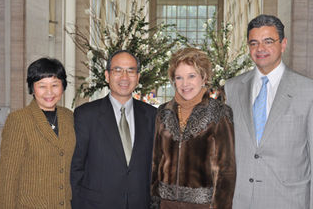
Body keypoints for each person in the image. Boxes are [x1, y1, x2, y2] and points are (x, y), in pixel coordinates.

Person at [224, 14, 313, 209]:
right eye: (253, 43)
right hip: (241, 200)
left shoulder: (308, 91)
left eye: (268, 41)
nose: (260, 49)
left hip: (288, 201)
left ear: (283, 44)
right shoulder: (233, 88)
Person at [151, 47, 236, 209]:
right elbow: (156, 162)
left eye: (191, 76)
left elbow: (226, 171)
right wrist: (154, 202)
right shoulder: (163, 112)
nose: (185, 84)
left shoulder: (219, 113)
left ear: (203, 77)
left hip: (203, 205)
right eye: (179, 77)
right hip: (166, 204)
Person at [71, 50, 157, 209]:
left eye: (130, 71)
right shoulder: (86, 115)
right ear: (107, 75)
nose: (124, 77)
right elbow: (76, 168)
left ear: (137, 77)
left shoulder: (152, 115)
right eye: (117, 70)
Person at [0, 58, 76, 209]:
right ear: (32, 89)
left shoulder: (69, 117)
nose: (49, 92)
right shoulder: (19, 120)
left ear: (63, 86)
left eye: (55, 85)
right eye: (42, 86)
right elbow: (8, 178)